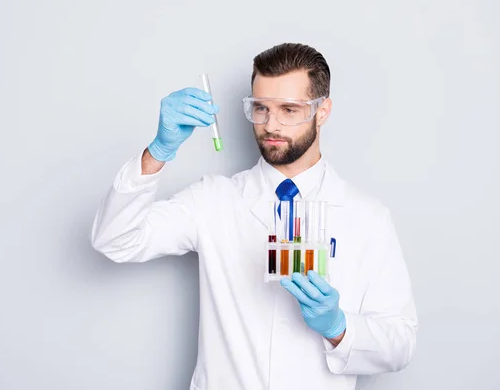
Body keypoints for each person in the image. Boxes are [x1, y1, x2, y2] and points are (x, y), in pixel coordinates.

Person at [90, 43, 418, 390]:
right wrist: (158, 151)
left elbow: (401, 343)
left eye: (289, 110)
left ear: (323, 111)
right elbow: (115, 240)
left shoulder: (366, 217)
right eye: (260, 108)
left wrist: (338, 327)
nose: (270, 124)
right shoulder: (214, 200)